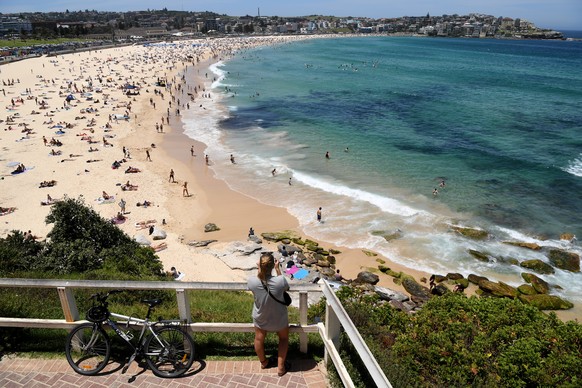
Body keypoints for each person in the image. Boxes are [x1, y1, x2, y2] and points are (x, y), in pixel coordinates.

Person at [247, 252, 290, 377]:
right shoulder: (280, 280)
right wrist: (278, 270)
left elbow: (258, 282)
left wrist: (259, 269)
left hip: (261, 317)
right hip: (279, 318)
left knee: (259, 338)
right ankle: (281, 368)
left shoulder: (252, 281)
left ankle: (264, 362)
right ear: (273, 265)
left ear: (259, 265)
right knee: (283, 339)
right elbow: (284, 287)